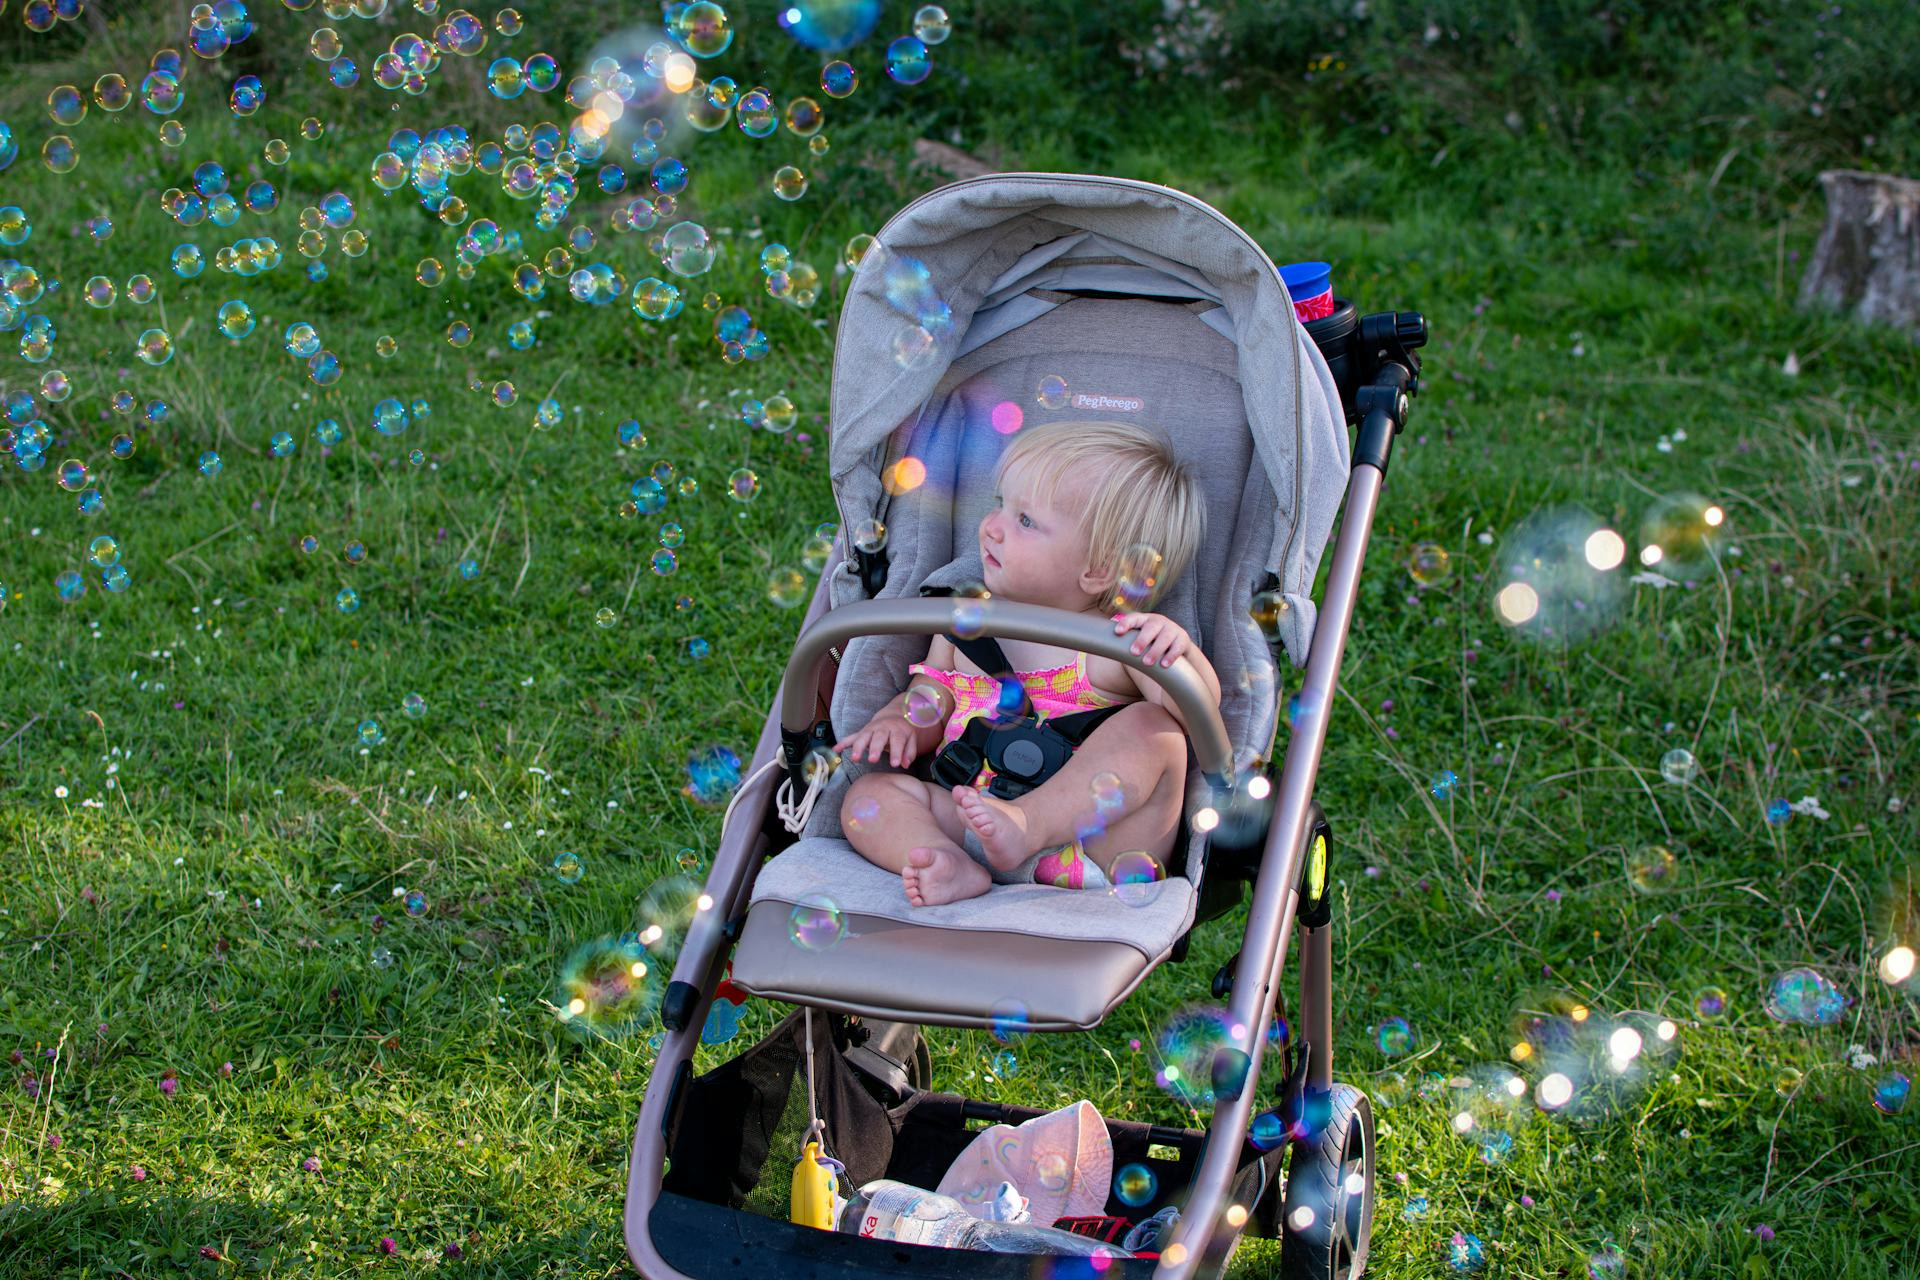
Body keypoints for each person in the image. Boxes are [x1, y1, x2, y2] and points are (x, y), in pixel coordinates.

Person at [835, 420, 1219, 906]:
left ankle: (1028, 823)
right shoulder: (965, 625)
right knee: (868, 799)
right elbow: (928, 699)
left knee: (1156, 730)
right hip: (970, 821)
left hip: (1090, 852)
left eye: (1025, 521)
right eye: (999, 504)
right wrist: (901, 722)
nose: (990, 527)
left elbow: (1198, 713)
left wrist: (1175, 652)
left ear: (1099, 570)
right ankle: (943, 861)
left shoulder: (1117, 644)